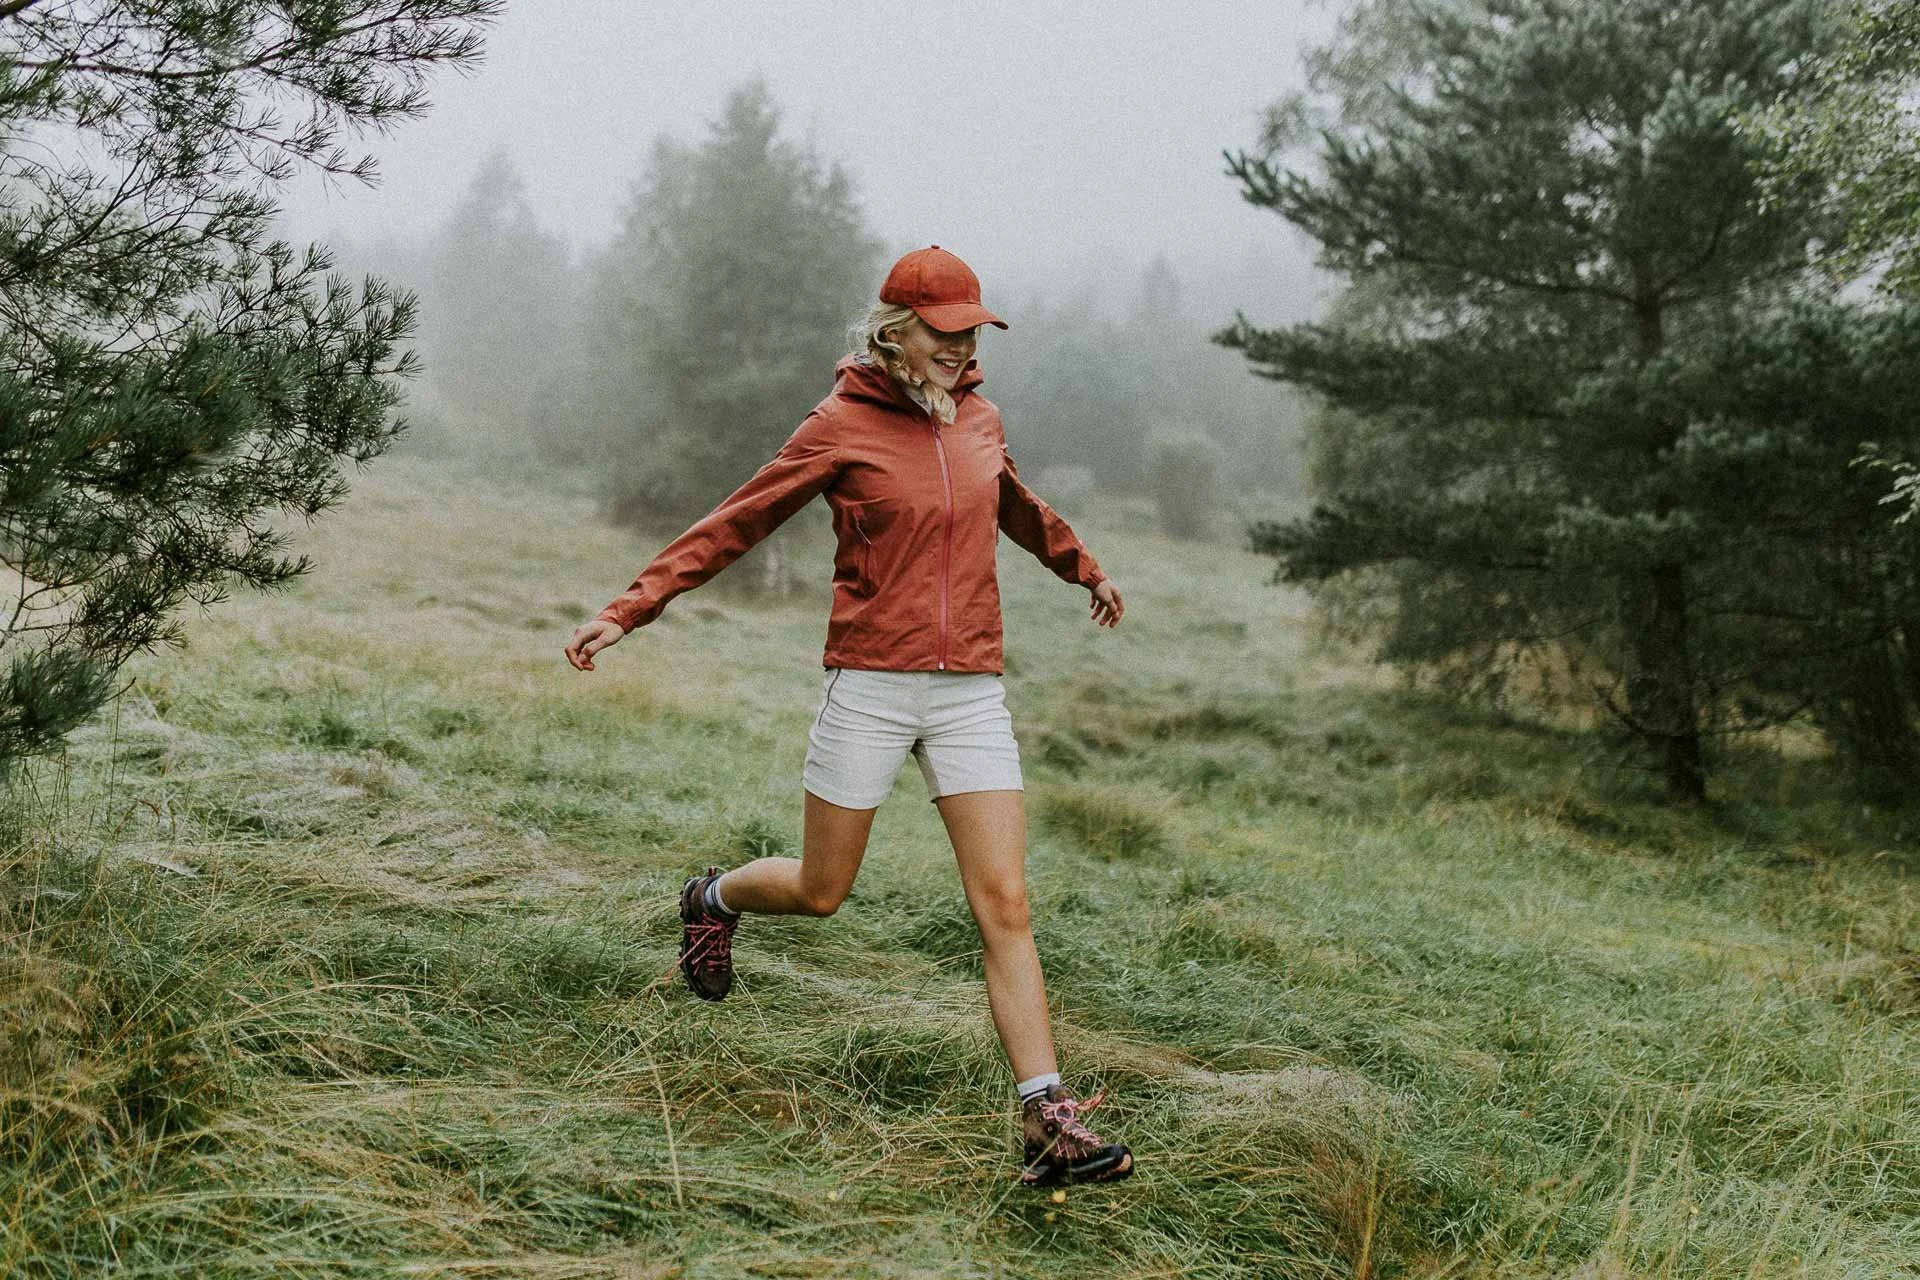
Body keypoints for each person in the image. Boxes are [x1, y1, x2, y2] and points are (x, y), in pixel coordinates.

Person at [565, 245, 1132, 1186]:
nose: (960, 348)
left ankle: (1045, 1117)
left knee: (1007, 903)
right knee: (823, 891)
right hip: (869, 682)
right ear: (895, 330)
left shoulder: (980, 419)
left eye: (972, 332)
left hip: (969, 693)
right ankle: (714, 898)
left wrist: (1086, 567)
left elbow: (1015, 505)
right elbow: (733, 522)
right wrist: (626, 610)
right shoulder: (839, 425)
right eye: (945, 333)